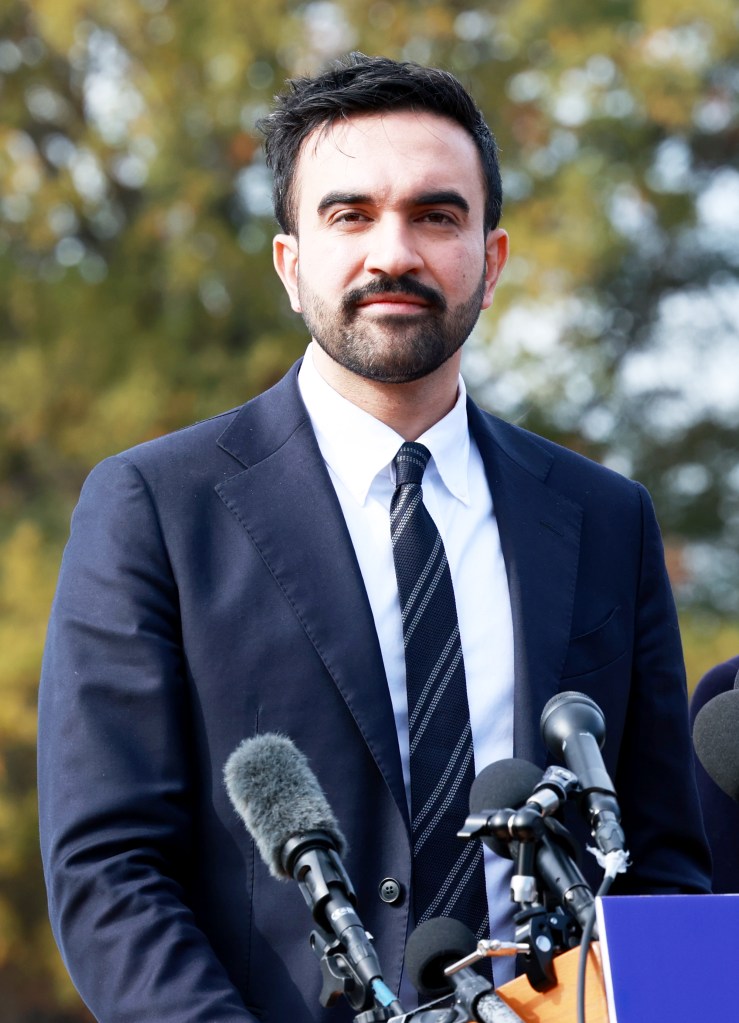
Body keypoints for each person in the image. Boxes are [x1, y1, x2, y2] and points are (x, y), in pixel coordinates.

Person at [38, 53, 710, 1023]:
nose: (391, 252)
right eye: (349, 215)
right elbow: (109, 872)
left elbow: (663, 865)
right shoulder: (153, 507)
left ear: (492, 259)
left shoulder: (605, 517)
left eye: (436, 216)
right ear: (290, 262)